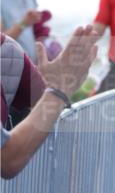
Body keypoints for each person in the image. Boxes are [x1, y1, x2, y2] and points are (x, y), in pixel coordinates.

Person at [1, 26, 97, 179]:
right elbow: (7, 158)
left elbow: (47, 109)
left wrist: (54, 88)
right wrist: (58, 91)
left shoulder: (8, 50)